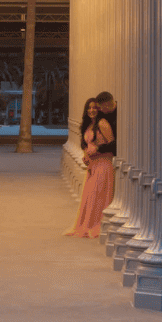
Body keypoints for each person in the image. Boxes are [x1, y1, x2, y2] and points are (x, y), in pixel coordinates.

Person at [64, 98, 115, 238]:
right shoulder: (89, 125)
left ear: (98, 109)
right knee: (90, 196)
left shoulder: (102, 123)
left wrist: (97, 149)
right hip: (93, 165)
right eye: (89, 108)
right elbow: (85, 144)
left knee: (98, 196)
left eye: (94, 108)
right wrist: (86, 154)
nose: (91, 110)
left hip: (103, 164)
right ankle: (87, 224)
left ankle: (97, 224)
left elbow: (112, 145)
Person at [95, 91, 117, 157]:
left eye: (101, 107)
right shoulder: (102, 114)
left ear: (107, 104)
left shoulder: (121, 113)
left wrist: (98, 148)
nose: (100, 110)